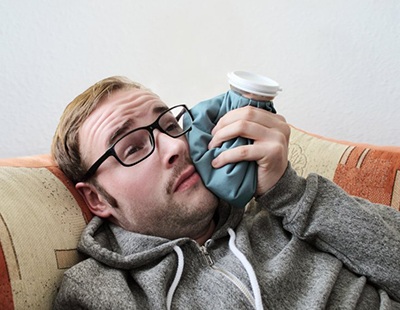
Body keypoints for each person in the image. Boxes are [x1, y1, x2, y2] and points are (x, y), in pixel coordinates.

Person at [52, 76, 400, 309]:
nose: (175, 145)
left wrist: (289, 194)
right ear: (97, 199)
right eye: (131, 147)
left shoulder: (292, 210)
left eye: (171, 125)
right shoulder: (99, 291)